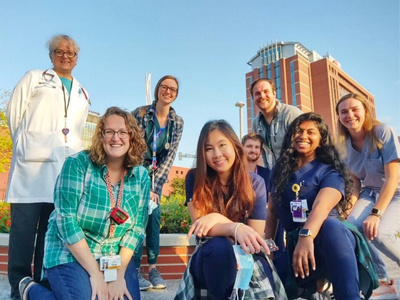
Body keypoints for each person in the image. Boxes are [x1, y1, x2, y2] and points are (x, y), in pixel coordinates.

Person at [18, 107, 149, 300]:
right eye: (109, 132)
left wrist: (118, 274)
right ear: (100, 135)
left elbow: (136, 228)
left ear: (132, 137)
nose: (116, 138)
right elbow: (66, 221)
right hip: (70, 250)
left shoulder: (141, 176)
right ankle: (31, 290)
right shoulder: (77, 165)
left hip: (113, 256)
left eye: (123, 132)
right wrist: (96, 275)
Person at [6, 34, 90, 300]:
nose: (65, 56)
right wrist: (24, 144)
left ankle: (42, 284)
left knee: (50, 232)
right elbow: (13, 114)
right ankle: (17, 285)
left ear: (77, 59)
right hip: (31, 169)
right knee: (23, 231)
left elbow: (78, 129)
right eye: (59, 51)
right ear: (51, 55)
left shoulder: (83, 91)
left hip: (63, 172)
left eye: (71, 53)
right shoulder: (34, 78)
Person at [265, 112, 378, 300]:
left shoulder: (329, 169)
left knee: (331, 226)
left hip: (330, 241)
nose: (303, 136)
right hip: (295, 243)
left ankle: (348, 295)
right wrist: (268, 249)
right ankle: (318, 286)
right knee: (275, 278)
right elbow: (272, 211)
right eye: (298, 131)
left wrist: (306, 235)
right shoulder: (280, 170)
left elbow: (322, 207)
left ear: (321, 140)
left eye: (311, 132)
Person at [176, 120, 286, 300]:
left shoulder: (255, 183)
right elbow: (202, 228)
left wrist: (216, 218)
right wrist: (236, 228)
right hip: (209, 254)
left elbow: (253, 237)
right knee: (220, 247)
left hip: (247, 255)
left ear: (235, 146)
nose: (217, 154)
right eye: (209, 148)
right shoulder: (195, 178)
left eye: (222, 145)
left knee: (261, 269)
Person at [336, 94, 400, 299]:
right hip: (370, 192)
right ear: (338, 116)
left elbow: (392, 178)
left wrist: (376, 214)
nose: (350, 115)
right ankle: (382, 279)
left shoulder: (383, 133)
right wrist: (347, 210)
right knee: (352, 228)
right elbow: (354, 182)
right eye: (344, 111)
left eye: (355, 109)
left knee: (380, 232)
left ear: (365, 111)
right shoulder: (343, 146)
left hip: (396, 192)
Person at [132, 75, 184, 290]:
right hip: (136, 170)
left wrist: (154, 186)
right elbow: (131, 145)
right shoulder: (141, 113)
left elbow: (170, 155)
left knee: (154, 218)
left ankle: (152, 268)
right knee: (135, 218)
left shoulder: (177, 122)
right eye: (164, 87)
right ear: (157, 89)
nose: (168, 91)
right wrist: (140, 178)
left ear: (176, 94)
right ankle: (133, 270)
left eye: (172, 89)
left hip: (156, 175)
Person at [251, 78, 303, 170]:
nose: (262, 96)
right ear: (253, 98)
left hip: (298, 173)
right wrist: (270, 174)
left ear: (274, 93)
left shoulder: (291, 114)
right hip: (276, 177)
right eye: (257, 93)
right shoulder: (256, 123)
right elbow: (264, 153)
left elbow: (306, 147)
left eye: (266, 91)